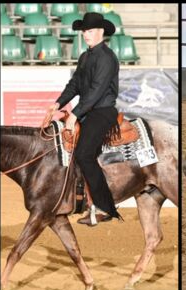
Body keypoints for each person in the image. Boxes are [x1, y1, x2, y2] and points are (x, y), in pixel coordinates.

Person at [43, 12, 123, 227]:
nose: (85, 35)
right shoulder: (85, 56)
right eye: (84, 31)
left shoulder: (107, 58)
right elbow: (75, 84)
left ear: (100, 32)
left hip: (102, 112)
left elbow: (97, 91)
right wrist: (58, 103)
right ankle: (75, 199)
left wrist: (76, 114)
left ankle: (105, 207)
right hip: (88, 111)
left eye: (89, 31)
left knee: (84, 154)